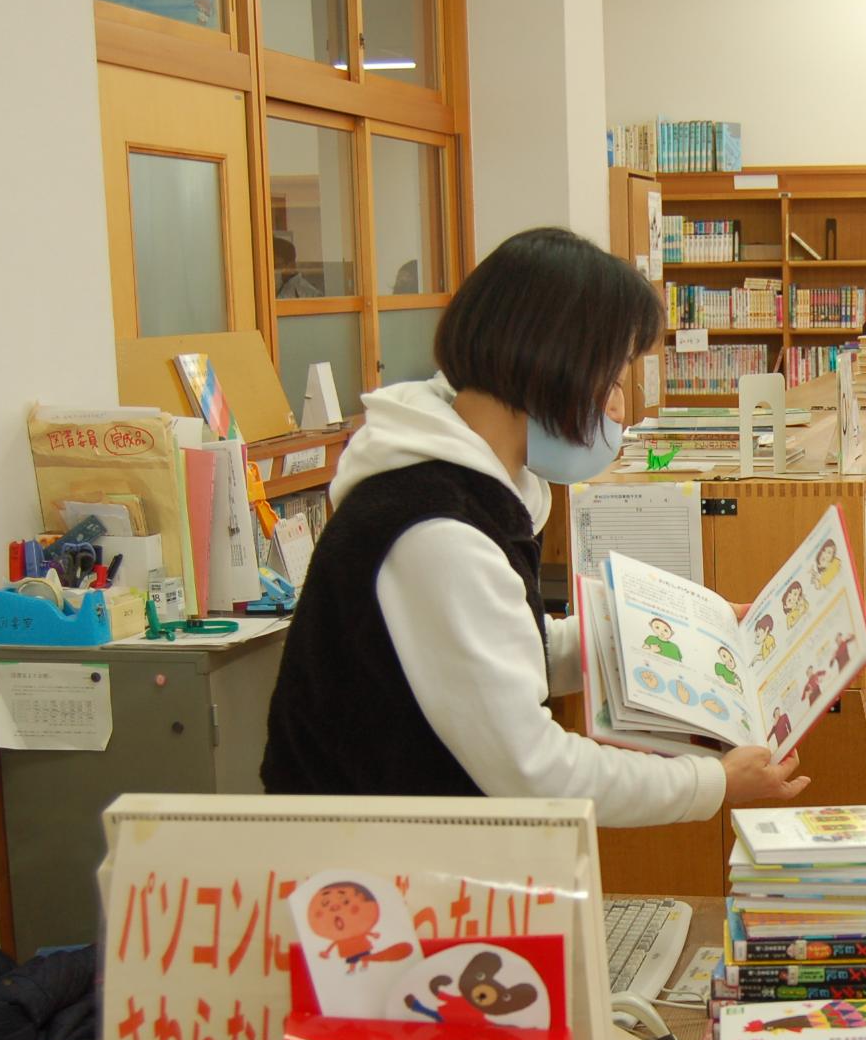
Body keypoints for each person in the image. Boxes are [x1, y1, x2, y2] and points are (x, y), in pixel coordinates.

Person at [261, 226, 808, 821]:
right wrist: (712, 783)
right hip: (369, 874)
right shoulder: (438, 533)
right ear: (555, 367)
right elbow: (533, 768)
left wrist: (690, 633)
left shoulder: (462, 480)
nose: (621, 408)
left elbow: (507, 652)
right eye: (615, 379)